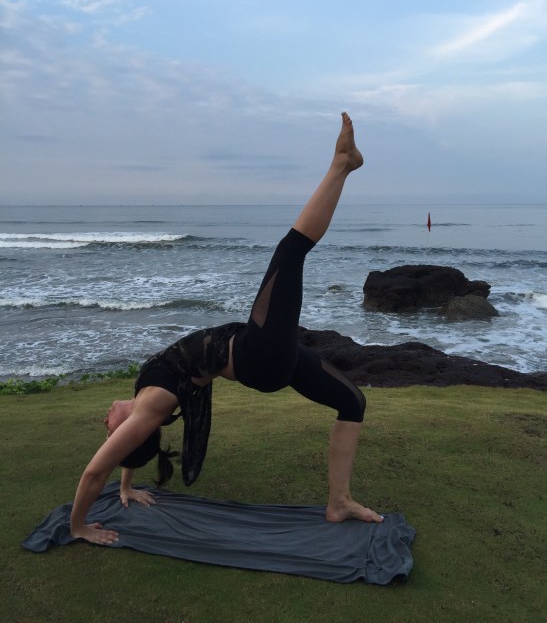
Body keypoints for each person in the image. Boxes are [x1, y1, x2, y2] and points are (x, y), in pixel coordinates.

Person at [70, 112, 383, 546]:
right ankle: (341, 164)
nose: (106, 420)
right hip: (256, 355)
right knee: (290, 251)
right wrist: (78, 527)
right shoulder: (151, 407)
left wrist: (127, 485)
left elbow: (125, 450)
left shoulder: (143, 400)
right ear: (129, 430)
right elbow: (94, 471)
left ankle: (339, 502)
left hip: (265, 358)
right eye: (111, 429)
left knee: (352, 402)